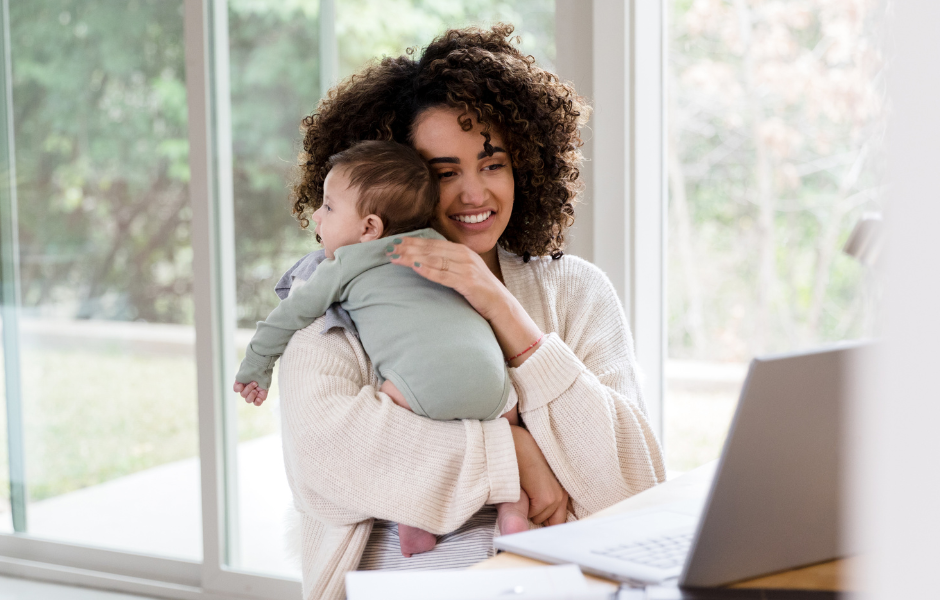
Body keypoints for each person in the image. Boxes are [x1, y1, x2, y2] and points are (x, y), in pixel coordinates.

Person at [275, 24, 666, 600]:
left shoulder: (577, 292)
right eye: (443, 172)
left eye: (493, 163)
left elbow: (634, 485)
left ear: (525, 166)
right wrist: (516, 455)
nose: (474, 194)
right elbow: (327, 463)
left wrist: (505, 311)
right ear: (393, 185)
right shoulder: (337, 289)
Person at [233, 140, 532, 557]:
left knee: (396, 437)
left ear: (370, 228)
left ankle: (415, 523)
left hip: (420, 385)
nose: (316, 216)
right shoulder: (443, 248)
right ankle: (515, 514)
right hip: (492, 383)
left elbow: (290, 314)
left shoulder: (343, 265)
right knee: (516, 436)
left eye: (329, 207)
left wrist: (256, 365)